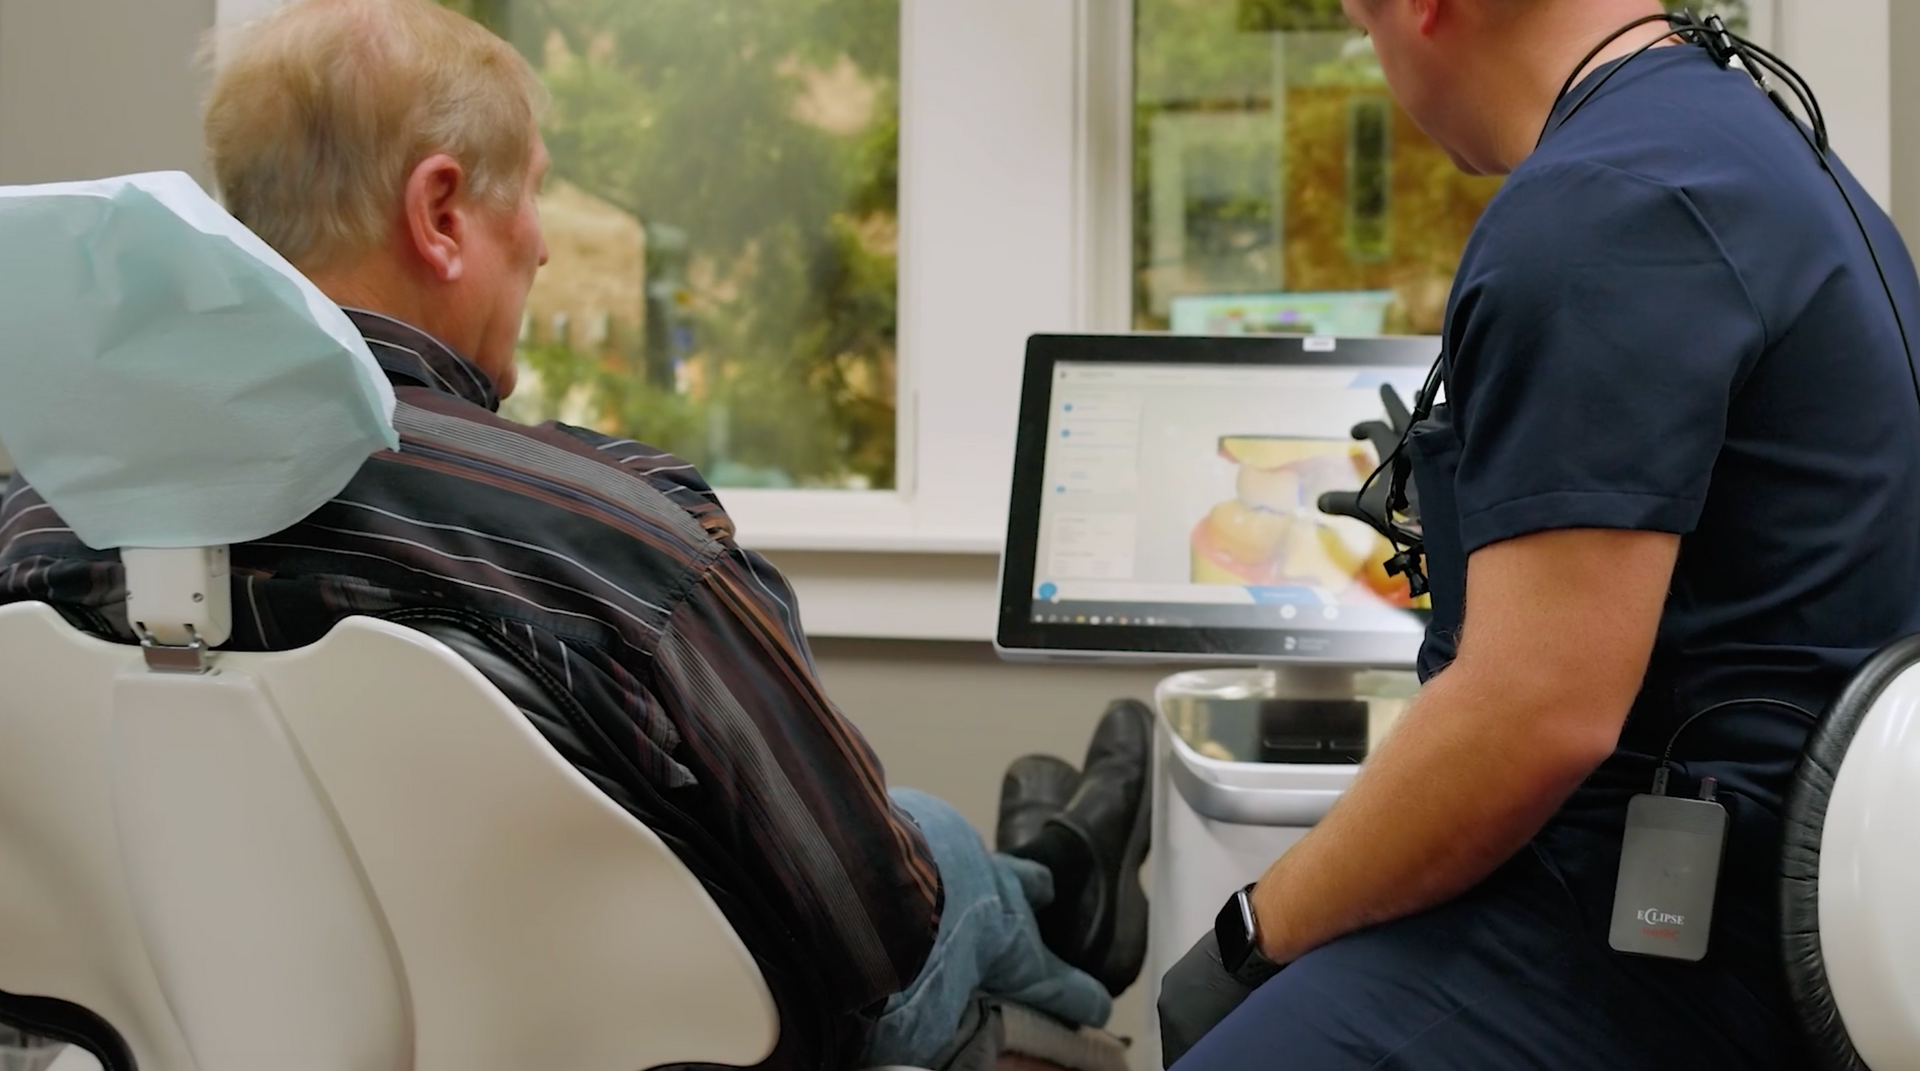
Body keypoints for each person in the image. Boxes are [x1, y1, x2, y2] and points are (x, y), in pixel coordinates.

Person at [0, 1, 1152, 1067]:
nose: (544, 245)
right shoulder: (613, 536)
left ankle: (1052, 874)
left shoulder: (29, 538)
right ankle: (1061, 898)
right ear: (442, 213)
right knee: (930, 852)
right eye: (533, 194)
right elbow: (873, 944)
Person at [1156, 0, 1920, 1068]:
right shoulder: (1767, 149)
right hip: (1808, 905)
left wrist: (1250, 932)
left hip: (1658, 944)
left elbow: (1533, 719)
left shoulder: (1597, 210)